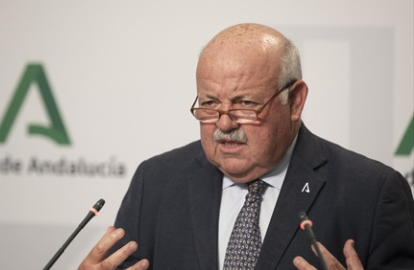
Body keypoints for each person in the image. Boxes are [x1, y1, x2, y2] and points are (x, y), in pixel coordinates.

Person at [78, 23, 414, 270]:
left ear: (295, 101)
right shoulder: (156, 181)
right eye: (210, 103)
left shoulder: (373, 194)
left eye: (245, 103)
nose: (224, 124)